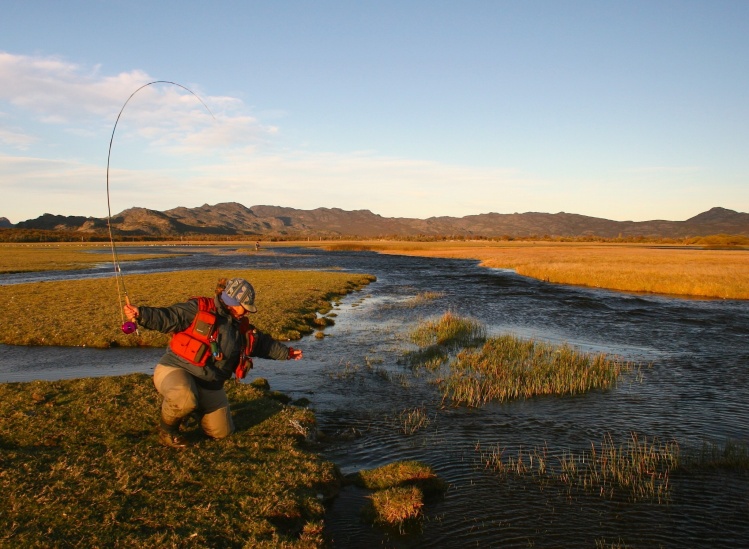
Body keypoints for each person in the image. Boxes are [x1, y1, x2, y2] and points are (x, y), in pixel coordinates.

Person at [123, 277, 303, 448]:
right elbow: (169, 316)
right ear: (233, 301)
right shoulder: (199, 308)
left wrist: (286, 353)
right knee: (184, 398)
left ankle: (192, 409)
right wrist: (141, 314)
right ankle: (167, 430)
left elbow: (261, 344)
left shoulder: (240, 326)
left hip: (210, 384)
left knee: (222, 432)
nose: (247, 311)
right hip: (175, 369)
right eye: (245, 306)